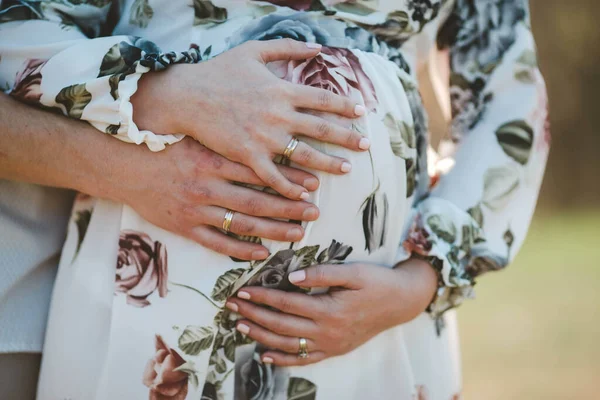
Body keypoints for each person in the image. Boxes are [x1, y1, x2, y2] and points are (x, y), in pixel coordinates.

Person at [0, 1, 549, 399]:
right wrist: (160, 92)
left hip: (374, 320)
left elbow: (507, 98)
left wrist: (420, 280)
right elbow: (17, 28)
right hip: (149, 297)